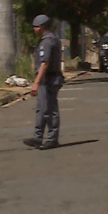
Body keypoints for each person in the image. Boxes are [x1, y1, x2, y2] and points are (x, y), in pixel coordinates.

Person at [23, 14, 64, 150]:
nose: (34, 29)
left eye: (35, 27)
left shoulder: (47, 41)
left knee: (50, 110)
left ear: (40, 27)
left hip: (50, 79)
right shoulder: (51, 38)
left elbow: (44, 63)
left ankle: (52, 139)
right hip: (47, 79)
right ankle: (37, 137)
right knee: (42, 109)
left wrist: (36, 82)